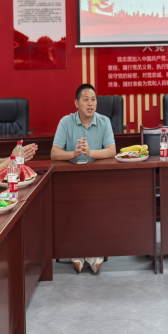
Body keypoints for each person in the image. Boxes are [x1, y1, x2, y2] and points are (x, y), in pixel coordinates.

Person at [51, 84, 117, 273]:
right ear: (76, 103)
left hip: (97, 179)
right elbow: (55, 153)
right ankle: (77, 251)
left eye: (93, 99)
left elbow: (112, 150)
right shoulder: (66, 122)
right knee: (73, 206)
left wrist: (90, 153)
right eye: (86, 100)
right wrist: (74, 153)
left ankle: (93, 251)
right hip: (72, 179)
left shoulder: (104, 121)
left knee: (96, 206)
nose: (90, 104)